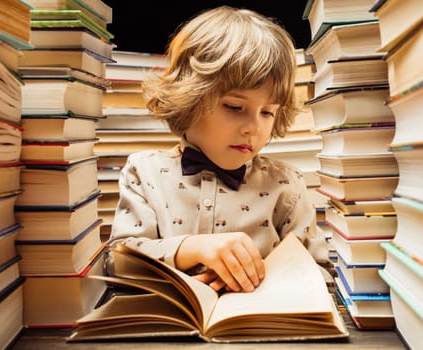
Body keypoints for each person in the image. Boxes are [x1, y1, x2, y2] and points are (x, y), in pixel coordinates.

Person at [106, 5, 329, 293]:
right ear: (189, 98)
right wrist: (190, 248)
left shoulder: (287, 185)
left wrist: (255, 278)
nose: (253, 127)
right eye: (235, 107)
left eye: (267, 112)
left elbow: (321, 273)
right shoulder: (145, 172)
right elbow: (116, 262)